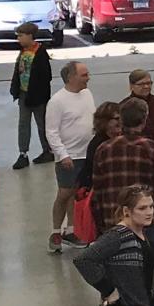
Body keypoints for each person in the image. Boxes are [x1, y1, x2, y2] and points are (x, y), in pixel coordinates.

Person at [92, 97, 154, 293]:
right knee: (151, 263)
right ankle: (152, 304)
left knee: (118, 265)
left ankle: (119, 303)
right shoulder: (152, 148)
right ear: (144, 120)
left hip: (115, 219)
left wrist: (100, 220)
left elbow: (98, 188)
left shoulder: (103, 149)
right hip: (147, 219)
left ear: (121, 120)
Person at [46, 59, 96, 252]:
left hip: (87, 154)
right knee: (65, 193)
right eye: (84, 75)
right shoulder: (57, 101)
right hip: (69, 156)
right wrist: (62, 154)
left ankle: (72, 230)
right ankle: (55, 232)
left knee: (78, 194)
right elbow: (51, 132)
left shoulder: (87, 94)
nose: (88, 78)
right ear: (71, 77)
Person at [8, 21, 53, 169]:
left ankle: (47, 150)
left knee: (42, 124)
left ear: (30, 35)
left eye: (21, 36)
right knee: (23, 124)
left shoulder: (40, 53)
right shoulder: (22, 52)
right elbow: (18, 71)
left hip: (38, 97)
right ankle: (23, 153)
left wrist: (40, 95)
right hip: (24, 94)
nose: (18, 39)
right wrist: (15, 88)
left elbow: (46, 76)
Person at [79, 101, 123, 192]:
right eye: (117, 118)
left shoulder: (124, 138)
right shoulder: (97, 144)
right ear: (104, 121)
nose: (121, 121)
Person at [124, 70, 154, 153]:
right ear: (131, 86)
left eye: (149, 83)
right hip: (135, 150)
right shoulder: (125, 105)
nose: (146, 86)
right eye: (141, 84)